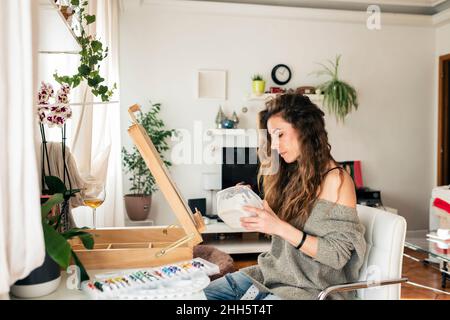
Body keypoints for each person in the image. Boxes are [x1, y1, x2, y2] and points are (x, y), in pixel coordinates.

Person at [204, 94, 367, 300]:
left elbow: (337, 256)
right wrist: (253, 202)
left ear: (305, 130)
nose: (274, 145)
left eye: (280, 135)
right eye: (272, 137)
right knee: (198, 297)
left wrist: (278, 227)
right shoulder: (293, 175)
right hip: (270, 277)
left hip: (309, 290)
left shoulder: (337, 180)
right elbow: (284, 232)